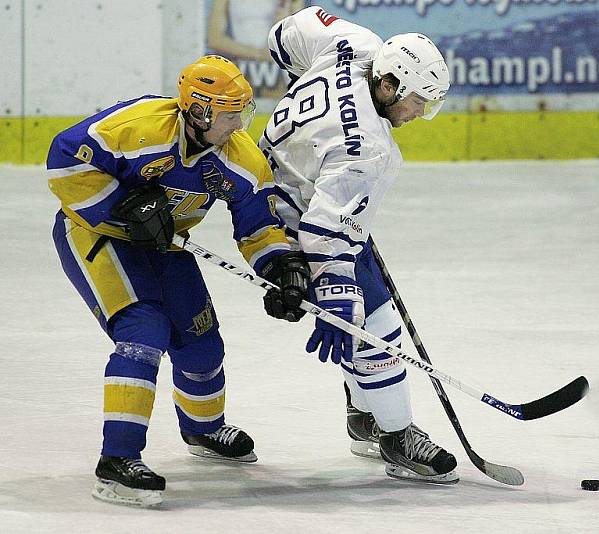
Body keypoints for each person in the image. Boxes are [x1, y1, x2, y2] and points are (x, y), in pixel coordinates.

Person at [48, 55, 310, 506]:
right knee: (143, 331)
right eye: (231, 114)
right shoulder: (139, 126)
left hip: (166, 245)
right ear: (201, 110)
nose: (239, 124)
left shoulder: (240, 158)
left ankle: (203, 430)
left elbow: (257, 226)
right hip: (97, 235)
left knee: (201, 341)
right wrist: (121, 207)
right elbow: (65, 159)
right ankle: (118, 461)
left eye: (241, 113)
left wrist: (280, 268)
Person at [259, 7, 458, 484]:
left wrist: (313, 118)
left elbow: (283, 36)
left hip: (273, 184)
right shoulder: (370, 151)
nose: (417, 115)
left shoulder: (355, 44)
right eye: (415, 103)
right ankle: (395, 435)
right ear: (388, 85)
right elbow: (325, 232)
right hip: (293, 222)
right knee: (375, 325)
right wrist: (335, 291)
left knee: (366, 313)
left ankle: (364, 417)